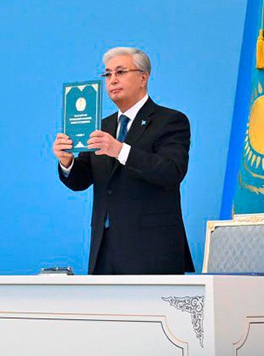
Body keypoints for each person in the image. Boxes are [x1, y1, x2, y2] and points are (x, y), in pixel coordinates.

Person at [53, 46, 193, 275]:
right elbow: (81, 180)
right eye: (107, 74)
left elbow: (171, 171)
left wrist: (119, 150)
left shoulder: (170, 121)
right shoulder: (101, 126)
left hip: (152, 250)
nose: (112, 80)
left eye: (120, 72)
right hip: (105, 249)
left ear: (143, 78)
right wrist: (67, 162)